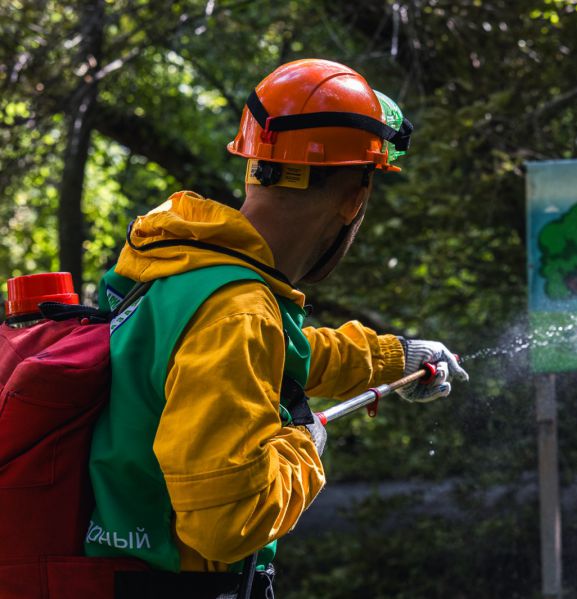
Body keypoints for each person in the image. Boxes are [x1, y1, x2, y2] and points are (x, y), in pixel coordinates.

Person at [83, 59, 468, 593]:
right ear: (355, 197)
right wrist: (303, 446)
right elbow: (224, 523)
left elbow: (279, 355)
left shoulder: (185, 271)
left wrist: (392, 357)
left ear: (254, 164)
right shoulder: (237, 310)